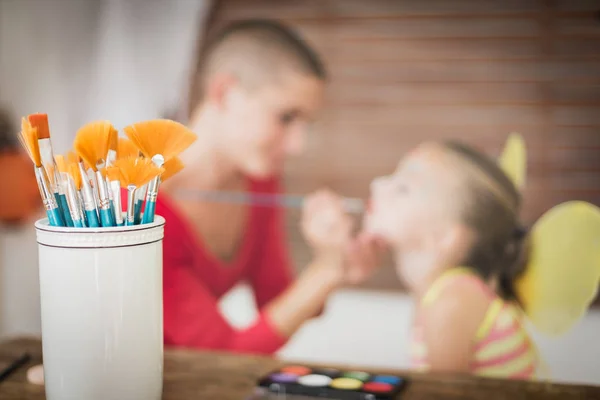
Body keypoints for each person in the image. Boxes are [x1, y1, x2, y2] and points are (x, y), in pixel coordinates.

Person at [157, 19, 386, 354]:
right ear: (226, 93)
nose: (298, 145)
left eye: (306, 124)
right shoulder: (138, 206)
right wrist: (325, 273)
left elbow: (275, 300)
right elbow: (225, 353)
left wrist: (334, 264)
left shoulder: (260, 181)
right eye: (286, 117)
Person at [360, 138, 600, 379]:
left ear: (443, 236)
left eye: (403, 188)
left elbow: (443, 396)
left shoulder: (452, 301)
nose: (377, 183)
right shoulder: (445, 290)